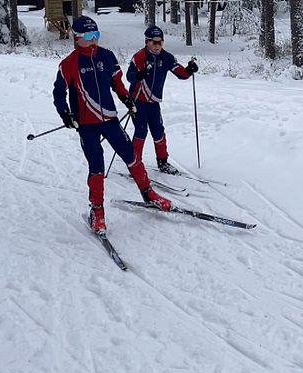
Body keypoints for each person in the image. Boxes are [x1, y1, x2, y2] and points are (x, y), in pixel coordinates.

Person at [53, 16, 171, 232]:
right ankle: (97, 210)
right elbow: (59, 93)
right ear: (77, 37)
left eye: (96, 35)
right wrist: (65, 114)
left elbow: (117, 83)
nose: (93, 40)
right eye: (88, 36)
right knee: (96, 165)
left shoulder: (106, 57)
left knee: (131, 156)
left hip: (109, 120)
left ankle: (148, 193)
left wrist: (127, 99)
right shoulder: (69, 64)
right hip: (87, 124)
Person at [126, 25, 198, 175]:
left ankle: (163, 162)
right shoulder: (139, 57)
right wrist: (139, 75)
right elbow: (129, 76)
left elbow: (181, 73)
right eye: (154, 42)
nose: (158, 45)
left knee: (158, 132)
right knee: (141, 131)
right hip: (137, 101)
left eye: (160, 42)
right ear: (147, 42)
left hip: (153, 102)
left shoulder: (166, 57)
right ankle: (135, 165)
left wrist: (190, 70)